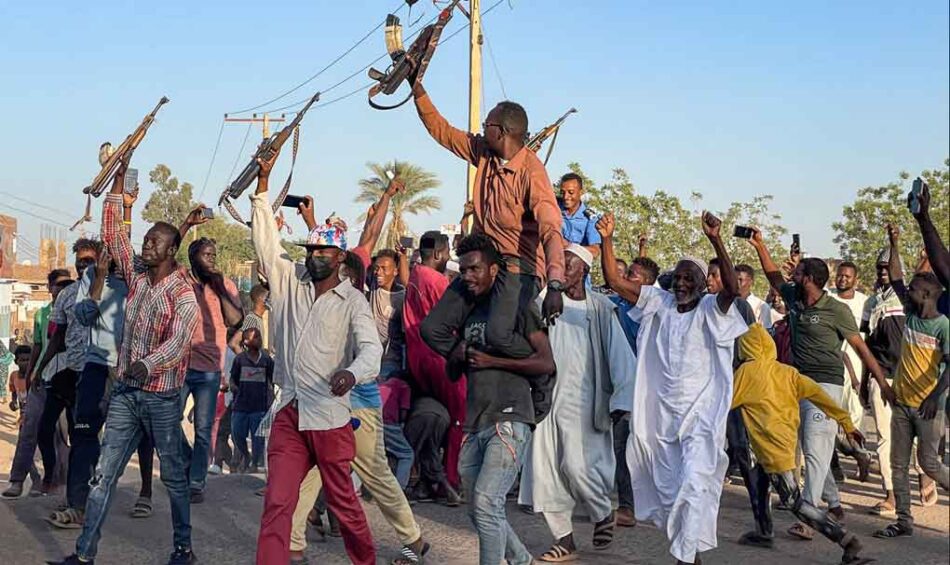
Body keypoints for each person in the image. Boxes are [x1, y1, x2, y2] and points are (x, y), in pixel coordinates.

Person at [50, 155, 200, 565]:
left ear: (172, 250)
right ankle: (83, 554)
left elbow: (177, 344)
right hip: (125, 396)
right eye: (146, 240)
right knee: (103, 475)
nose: (145, 245)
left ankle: (183, 548)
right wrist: (119, 176)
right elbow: (113, 232)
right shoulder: (134, 276)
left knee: (172, 478)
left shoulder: (183, 294)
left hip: (162, 399)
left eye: (154, 241)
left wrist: (145, 364)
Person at [250, 152, 381, 565]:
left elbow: (372, 350)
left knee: (345, 506)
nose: (315, 254)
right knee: (277, 503)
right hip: (290, 409)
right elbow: (267, 243)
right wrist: (263, 184)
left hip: (329, 414)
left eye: (324, 250)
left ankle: (366, 560)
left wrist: (351, 372)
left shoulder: (353, 301)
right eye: (311, 248)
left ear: (340, 257)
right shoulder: (289, 281)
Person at [600, 211, 747, 565]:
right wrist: (607, 238)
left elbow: (732, 288)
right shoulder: (659, 303)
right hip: (662, 421)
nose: (680, 284)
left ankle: (684, 559)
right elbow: (616, 283)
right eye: (677, 278)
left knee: (696, 482)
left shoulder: (714, 308)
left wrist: (716, 239)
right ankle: (690, 555)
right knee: (669, 495)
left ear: (701, 283)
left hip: (700, 418)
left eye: (689, 278)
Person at [747, 228, 892, 542]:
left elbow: (861, 349)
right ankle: (834, 503)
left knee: (814, 449)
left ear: (809, 278)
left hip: (825, 385)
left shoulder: (836, 311)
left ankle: (809, 513)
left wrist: (882, 384)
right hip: (795, 383)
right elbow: (773, 276)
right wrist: (759, 243)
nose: (792, 274)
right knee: (808, 444)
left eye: (797, 272)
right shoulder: (796, 299)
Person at [422, 233, 556, 565]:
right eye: (463, 270)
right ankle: (522, 560)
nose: (467, 277)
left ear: (494, 270)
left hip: (509, 418)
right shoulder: (468, 311)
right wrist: (459, 353)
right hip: (475, 419)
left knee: (486, 502)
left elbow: (545, 362)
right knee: (479, 509)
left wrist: (494, 360)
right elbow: (455, 365)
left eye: (474, 270)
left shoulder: (517, 309)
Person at [412, 79, 566, 357]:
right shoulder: (483, 153)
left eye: (488, 125)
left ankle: (538, 365)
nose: (483, 129)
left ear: (503, 132)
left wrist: (555, 283)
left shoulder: (532, 173)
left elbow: (551, 230)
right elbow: (442, 131)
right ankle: (469, 361)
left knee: (497, 333)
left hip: (520, 269)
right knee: (432, 329)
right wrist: (417, 86)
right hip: (484, 262)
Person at [519, 244, 635, 561]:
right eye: (559, 264)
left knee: (577, 464)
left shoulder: (599, 308)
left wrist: (622, 399)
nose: (562, 270)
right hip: (545, 399)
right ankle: (564, 539)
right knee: (545, 471)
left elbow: (621, 356)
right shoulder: (543, 302)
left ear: (583, 270)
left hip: (586, 401)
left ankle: (601, 512)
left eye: (568, 265)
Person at [731, 324, 872, 564]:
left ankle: (846, 540)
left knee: (794, 502)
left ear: (744, 346)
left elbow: (722, 402)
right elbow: (819, 394)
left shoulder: (746, 373)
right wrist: (846, 422)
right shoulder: (787, 372)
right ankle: (764, 531)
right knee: (759, 480)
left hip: (772, 449)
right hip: (783, 444)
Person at [873, 226, 950, 540]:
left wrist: (935, 396)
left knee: (929, 463)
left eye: (915, 289)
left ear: (929, 294)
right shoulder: (910, 312)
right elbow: (895, 278)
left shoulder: (943, 325)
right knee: (898, 465)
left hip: (928, 407)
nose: (908, 292)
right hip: (902, 403)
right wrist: (893, 243)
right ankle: (904, 521)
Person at [181, 232, 244, 503]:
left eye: (214, 256)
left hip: (209, 367)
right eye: (206, 255)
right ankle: (187, 463)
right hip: (179, 364)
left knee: (204, 428)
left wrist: (218, 287)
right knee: (168, 422)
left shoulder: (225, 284)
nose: (212, 260)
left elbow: (235, 321)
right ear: (193, 258)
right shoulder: (181, 280)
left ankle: (196, 481)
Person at [34, 239, 100, 496]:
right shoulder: (67, 295)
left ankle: (82, 487)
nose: (83, 266)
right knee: (44, 427)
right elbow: (57, 336)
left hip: (95, 373)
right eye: (80, 261)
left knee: (81, 433)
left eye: (88, 261)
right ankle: (52, 474)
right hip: (70, 370)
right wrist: (41, 368)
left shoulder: (110, 292)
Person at [403, 230, 466, 491]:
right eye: (448, 251)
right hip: (439, 357)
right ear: (439, 253)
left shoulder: (415, 275)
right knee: (459, 415)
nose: (448, 256)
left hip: (416, 356)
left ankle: (426, 473)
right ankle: (450, 476)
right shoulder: (438, 281)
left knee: (436, 415)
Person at [2, 269, 71, 499]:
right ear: (49, 287)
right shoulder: (42, 314)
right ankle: (17, 480)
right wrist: (32, 374)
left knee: (62, 434)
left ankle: (57, 481)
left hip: (67, 378)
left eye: (65, 286)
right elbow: (39, 346)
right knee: (29, 430)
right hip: (43, 379)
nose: (60, 290)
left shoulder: (75, 309)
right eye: (57, 286)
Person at [608, 256, 659, 528]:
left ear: (648, 286)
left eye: (633, 275)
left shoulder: (650, 313)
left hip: (641, 392)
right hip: (618, 389)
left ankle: (629, 506)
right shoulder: (614, 304)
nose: (626, 277)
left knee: (628, 448)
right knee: (619, 448)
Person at [861, 247, 908, 516]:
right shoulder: (871, 303)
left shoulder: (907, 297)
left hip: (907, 377)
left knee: (910, 436)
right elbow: (867, 343)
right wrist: (866, 382)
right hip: (881, 376)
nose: (882, 271)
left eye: (888, 266)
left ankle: (924, 477)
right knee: (884, 437)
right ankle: (890, 494)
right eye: (879, 267)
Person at [404, 396, 457, 506]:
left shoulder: (411, 396)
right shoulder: (433, 398)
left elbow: (402, 414)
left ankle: (406, 490)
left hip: (420, 416)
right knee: (431, 453)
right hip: (443, 418)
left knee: (407, 454)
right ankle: (445, 490)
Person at [378, 373, 414, 490]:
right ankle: (399, 490)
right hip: (390, 423)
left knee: (371, 457)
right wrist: (402, 425)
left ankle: (354, 489)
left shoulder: (382, 385)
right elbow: (404, 410)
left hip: (375, 421)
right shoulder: (404, 386)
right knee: (407, 454)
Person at [558, 173, 601, 258]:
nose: (566, 197)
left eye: (571, 192)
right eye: (563, 192)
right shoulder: (554, 208)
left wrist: (569, 246)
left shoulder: (590, 219)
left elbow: (595, 251)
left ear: (581, 192)